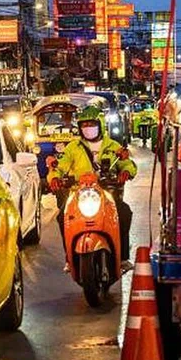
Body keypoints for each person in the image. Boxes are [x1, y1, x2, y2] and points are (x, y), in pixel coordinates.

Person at [47, 105, 137, 271]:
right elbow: (59, 166)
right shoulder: (73, 147)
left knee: (124, 213)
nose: (88, 128)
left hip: (107, 193)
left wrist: (125, 171)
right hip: (79, 194)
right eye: (84, 125)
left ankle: (123, 257)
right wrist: (54, 178)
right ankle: (69, 258)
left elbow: (128, 164)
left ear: (100, 124)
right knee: (62, 217)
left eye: (91, 124)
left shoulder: (113, 146)